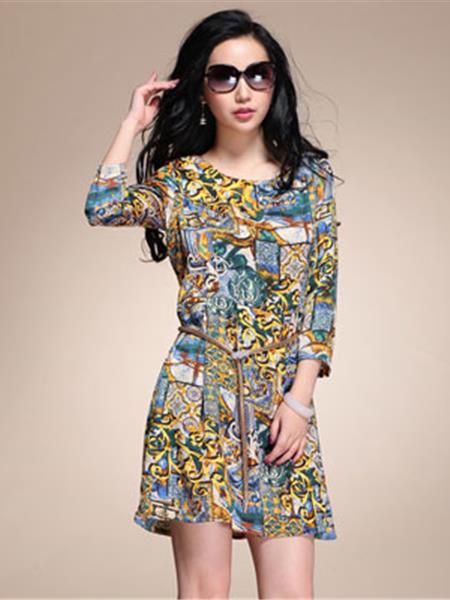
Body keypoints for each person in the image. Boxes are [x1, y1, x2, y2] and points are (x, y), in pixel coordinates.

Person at [84, 8, 341, 599]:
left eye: (258, 74)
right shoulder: (179, 184)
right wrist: (132, 123)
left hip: (279, 402)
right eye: (224, 76)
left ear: (275, 83)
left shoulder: (310, 181)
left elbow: (320, 298)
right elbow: (103, 206)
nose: (243, 91)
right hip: (194, 397)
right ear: (201, 90)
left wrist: (300, 401)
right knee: (204, 590)